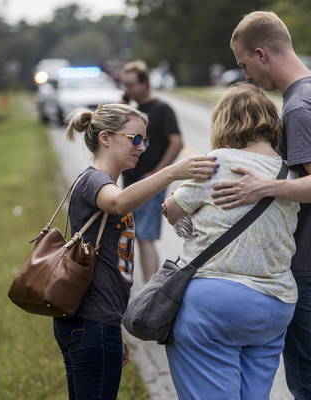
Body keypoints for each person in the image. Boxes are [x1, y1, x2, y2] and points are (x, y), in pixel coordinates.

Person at [212, 11, 311, 400]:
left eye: (244, 64)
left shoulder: (299, 107)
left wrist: (263, 186)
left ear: (261, 54)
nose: (246, 77)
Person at [54, 103, 217, 400]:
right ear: (106, 138)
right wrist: (171, 172)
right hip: (90, 323)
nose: (142, 148)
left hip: (97, 323)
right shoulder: (95, 181)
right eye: (136, 139)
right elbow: (119, 203)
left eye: (146, 140)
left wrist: (114, 329)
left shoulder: (104, 182)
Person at [161, 82, 300, 400]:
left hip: (216, 302)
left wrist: (173, 208)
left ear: (224, 123)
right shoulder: (288, 173)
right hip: (275, 304)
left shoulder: (216, 162)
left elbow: (175, 210)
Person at [121, 60, 183, 283]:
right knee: (133, 236)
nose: (126, 90)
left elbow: (176, 142)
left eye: (130, 85)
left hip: (149, 182)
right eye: (124, 85)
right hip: (130, 181)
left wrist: (158, 173)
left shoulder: (162, 109)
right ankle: (142, 285)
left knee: (145, 236)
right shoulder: (133, 112)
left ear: (144, 82)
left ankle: (149, 287)